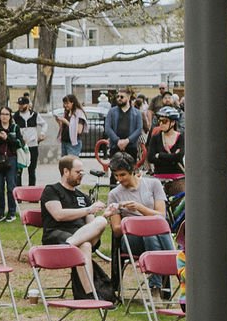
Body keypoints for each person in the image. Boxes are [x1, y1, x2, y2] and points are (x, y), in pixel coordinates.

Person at [40, 156, 111, 299]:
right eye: (78, 172)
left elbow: (91, 225)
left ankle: (71, 244)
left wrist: (106, 214)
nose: (81, 175)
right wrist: (88, 210)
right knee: (83, 245)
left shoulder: (83, 197)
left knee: (101, 222)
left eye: (82, 172)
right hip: (56, 235)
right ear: (66, 171)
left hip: (81, 237)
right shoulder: (52, 190)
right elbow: (58, 215)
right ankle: (90, 295)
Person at [104, 155, 175, 292]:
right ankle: (174, 263)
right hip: (131, 240)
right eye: (116, 175)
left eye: (123, 174)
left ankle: (156, 285)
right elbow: (117, 230)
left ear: (133, 170)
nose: (119, 179)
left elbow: (161, 216)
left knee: (151, 234)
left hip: (154, 235)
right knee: (150, 232)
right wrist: (130, 221)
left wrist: (140, 208)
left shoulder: (153, 184)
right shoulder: (114, 194)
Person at [104, 91, 146, 167]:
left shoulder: (137, 113)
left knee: (130, 173)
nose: (119, 99)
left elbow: (139, 129)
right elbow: (107, 128)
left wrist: (127, 140)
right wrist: (117, 141)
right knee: (115, 172)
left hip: (131, 147)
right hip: (115, 147)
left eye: (122, 97)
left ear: (128, 97)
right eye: (118, 97)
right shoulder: (112, 112)